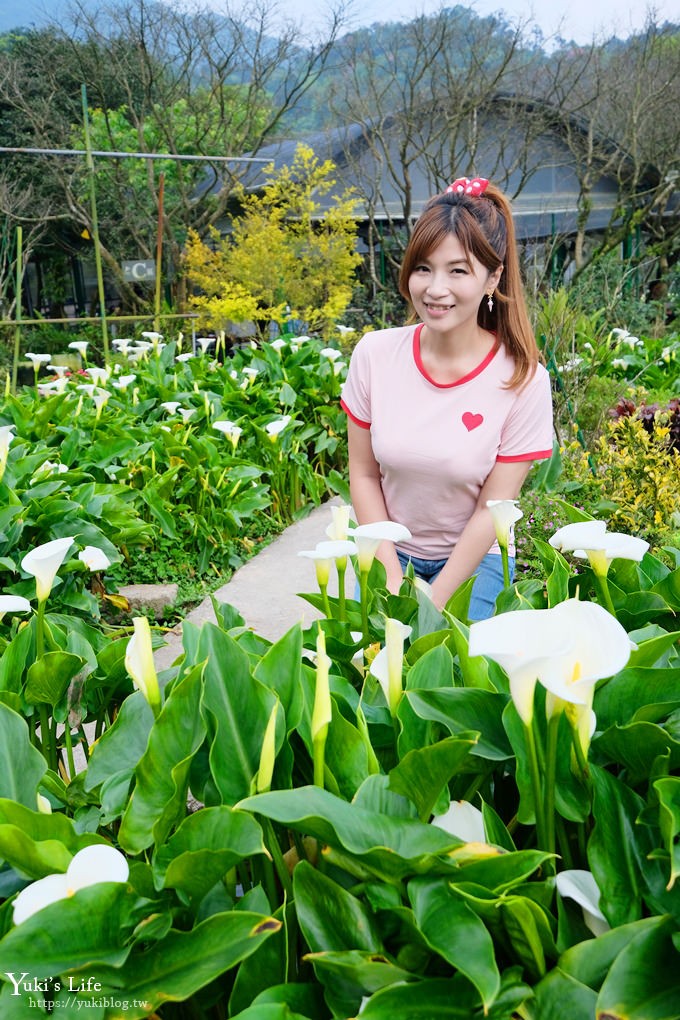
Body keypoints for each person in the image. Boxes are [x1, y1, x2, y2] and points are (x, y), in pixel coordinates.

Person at [341, 176, 553, 619]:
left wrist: (433, 606)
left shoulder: (523, 380)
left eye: (458, 270)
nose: (435, 289)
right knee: (363, 668)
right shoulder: (375, 354)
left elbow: (490, 512)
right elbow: (362, 475)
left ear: (493, 276)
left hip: (479, 558)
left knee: (456, 674)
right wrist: (394, 585)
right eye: (424, 268)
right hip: (387, 550)